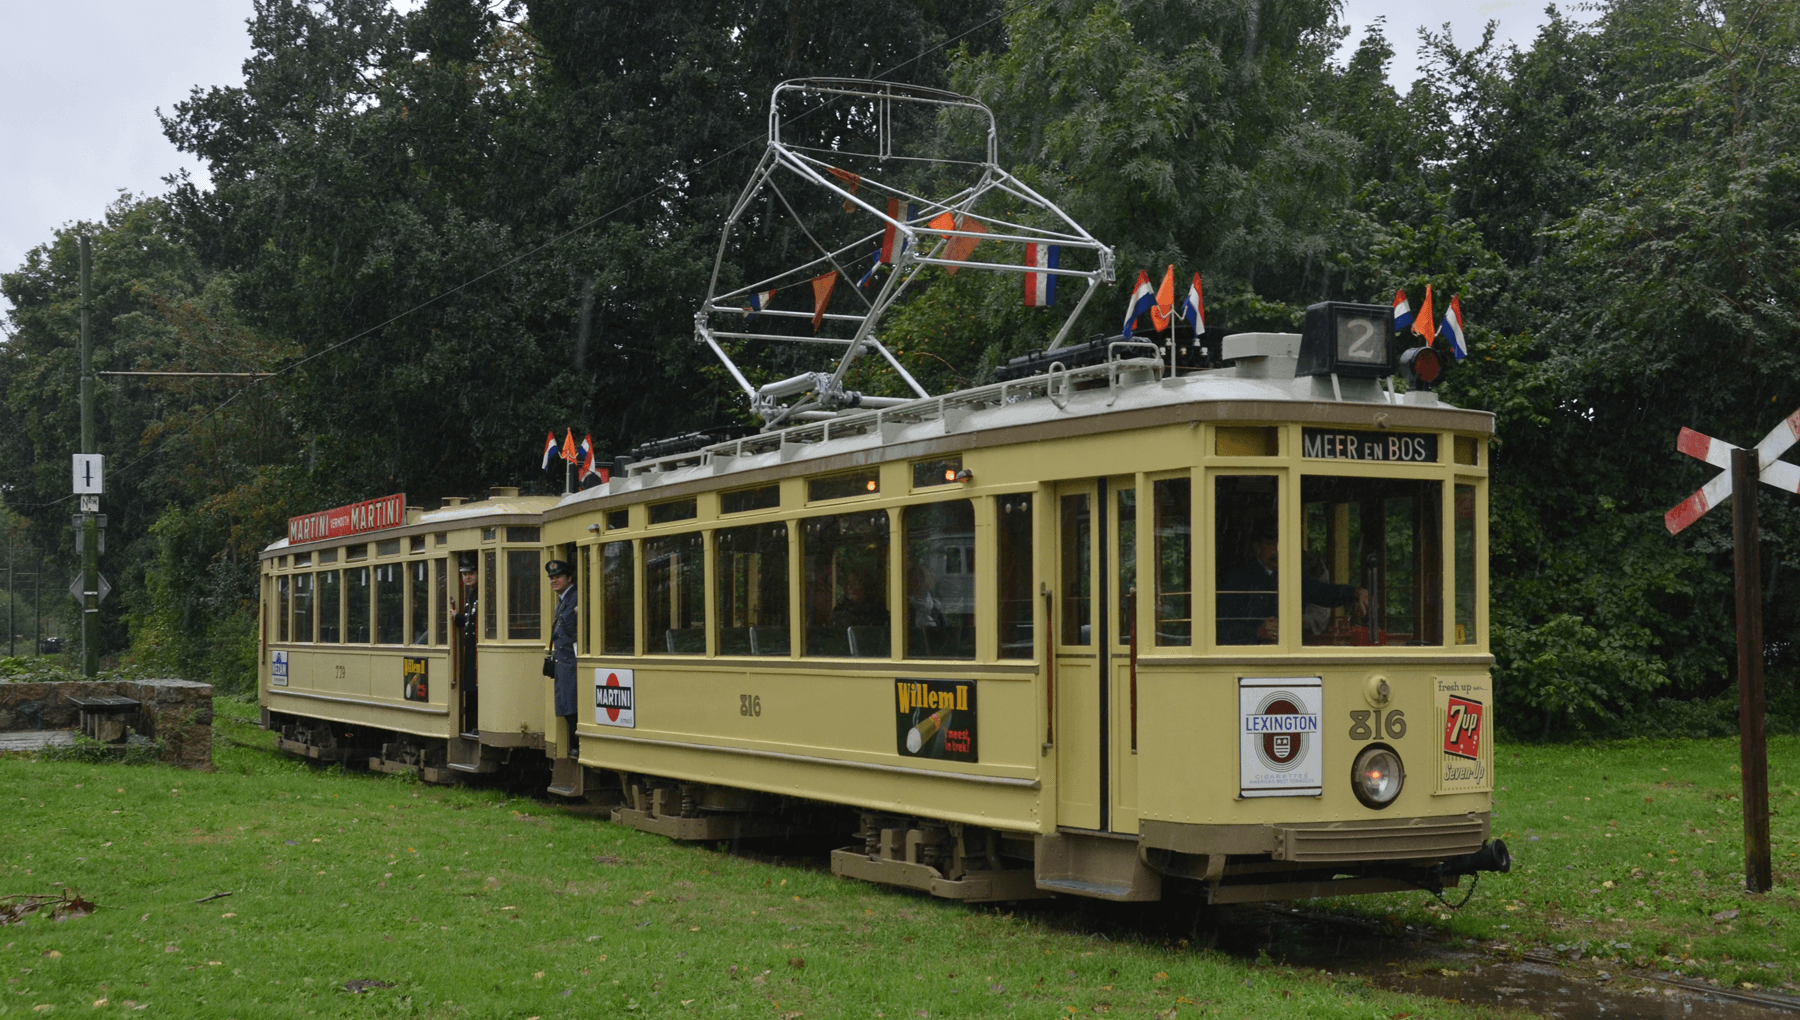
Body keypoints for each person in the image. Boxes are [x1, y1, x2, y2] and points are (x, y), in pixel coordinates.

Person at [1217, 525, 1367, 644]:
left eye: (1281, 543)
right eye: (1271, 544)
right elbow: (1222, 626)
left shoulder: (1289, 578)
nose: (1278, 550)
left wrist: (1354, 592)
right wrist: (1257, 631)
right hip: (1249, 660)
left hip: (1284, 656)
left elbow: (1322, 592)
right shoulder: (1238, 578)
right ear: (1257, 547)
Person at [546, 559, 579, 758]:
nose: (554, 581)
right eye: (551, 578)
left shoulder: (574, 598)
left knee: (572, 704)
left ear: (569, 578)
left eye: (558, 577)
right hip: (563, 660)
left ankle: (577, 745)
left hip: (571, 660)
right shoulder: (564, 599)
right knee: (567, 704)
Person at [450, 554, 480, 737]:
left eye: (471, 573)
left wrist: (460, 618)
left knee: (476, 688)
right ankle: (472, 723)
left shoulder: (481, 593)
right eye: (464, 574)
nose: (467, 577)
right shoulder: (471, 594)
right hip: (470, 651)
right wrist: (458, 618)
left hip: (477, 651)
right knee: (470, 688)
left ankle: (476, 724)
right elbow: (470, 621)